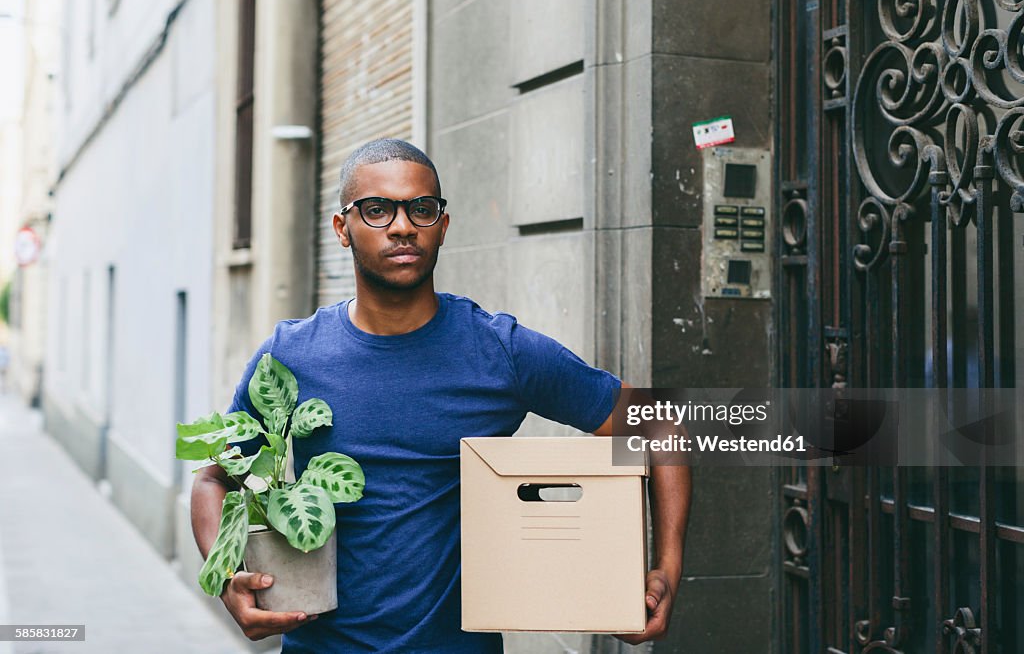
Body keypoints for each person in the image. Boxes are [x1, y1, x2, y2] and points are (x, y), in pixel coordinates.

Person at [191, 139, 691, 653]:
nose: (403, 226)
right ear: (343, 228)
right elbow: (214, 477)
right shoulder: (292, 353)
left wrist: (667, 567)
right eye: (378, 210)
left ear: (443, 227)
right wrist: (228, 576)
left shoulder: (500, 351)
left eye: (421, 209)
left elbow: (660, 427)